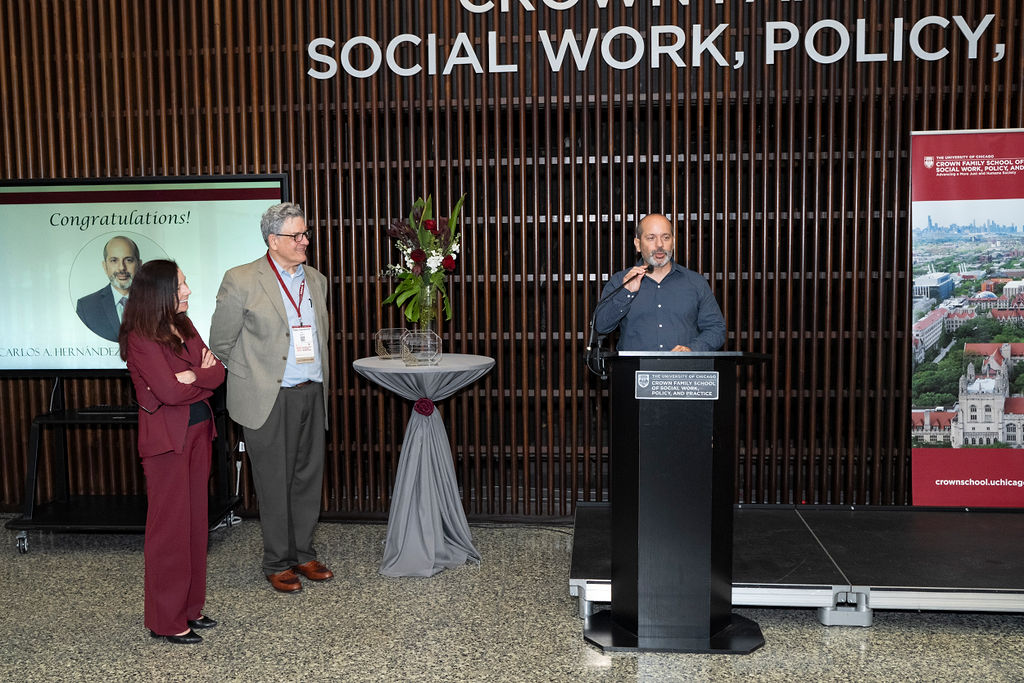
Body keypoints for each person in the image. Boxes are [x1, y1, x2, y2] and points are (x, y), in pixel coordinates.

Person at [209, 202, 333, 593]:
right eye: (296, 235)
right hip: (268, 397)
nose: (305, 241)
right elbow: (221, 343)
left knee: (307, 478)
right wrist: (257, 376)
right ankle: (277, 561)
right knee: (274, 480)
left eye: (305, 233)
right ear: (272, 240)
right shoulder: (241, 279)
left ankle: (302, 553)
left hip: (312, 391)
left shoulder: (316, 280)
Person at [119, 259, 225, 645]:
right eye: (181, 285)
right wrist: (202, 377)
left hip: (199, 432)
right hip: (167, 442)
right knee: (170, 531)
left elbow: (218, 372)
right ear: (160, 291)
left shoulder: (183, 324)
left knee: (196, 524)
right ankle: (166, 620)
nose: (188, 291)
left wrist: (196, 376)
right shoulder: (140, 337)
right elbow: (167, 392)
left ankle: (190, 609)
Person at [594, 213, 726, 351]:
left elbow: (716, 329)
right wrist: (626, 292)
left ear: (673, 242)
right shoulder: (620, 281)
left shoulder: (695, 282)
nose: (660, 245)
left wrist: (692, 349)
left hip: (683, 370)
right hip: (634, 370)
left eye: (666, 237)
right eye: (651, 238)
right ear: (638, 244)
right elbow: (601, 326)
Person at [77, 235, 143, 341]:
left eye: (129, 260)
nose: (122, 267)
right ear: (105, 266)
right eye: (114, 260)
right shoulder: (86, 307)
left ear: (139, 265)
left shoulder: (157, 303)